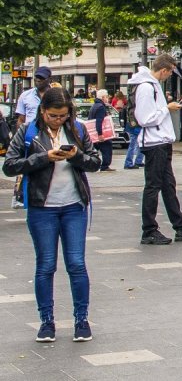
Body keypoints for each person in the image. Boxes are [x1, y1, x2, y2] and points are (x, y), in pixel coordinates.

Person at [4, 86, 102, 342]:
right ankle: (46, 321)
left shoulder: (78, 130)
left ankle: (81, 319)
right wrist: (43, 157)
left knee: (77, 264)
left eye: (63, 116)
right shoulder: (28, 132)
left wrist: (76, 156)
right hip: (41, 208)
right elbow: (9, 165)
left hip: (74, 206)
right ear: (42, 111)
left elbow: (96, 161)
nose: (58, 120)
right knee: (46, 265)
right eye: (53, 116)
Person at [128, 54, 182, 244]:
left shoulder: (152, 86)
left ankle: (181, 227)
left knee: (168, 186)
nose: (169, 76)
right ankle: (149, 230)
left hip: (160, 141)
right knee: (153, 186)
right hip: (154, 143)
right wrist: (166, 109)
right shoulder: (146, 87)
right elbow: (145, 118)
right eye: (169, 73)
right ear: (164, 70)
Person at [12, 66, 51, 208]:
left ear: (49, 80)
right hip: (30, 134)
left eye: (41, 79)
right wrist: (19, 136)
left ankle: (46, 194)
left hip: (49, 134)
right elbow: (21, 119)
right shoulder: (25, 96)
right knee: (26, 162)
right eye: (36, 78)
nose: (38, 81)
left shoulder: (55, 94)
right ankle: (20, 195)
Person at [89, 90, 115, 171]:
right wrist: (100, 134)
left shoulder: (94, 105)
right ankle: (105, 166)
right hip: (101, 132)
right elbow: (99, 121)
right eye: (107, 96)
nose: (108, 98)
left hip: (93, 132)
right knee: (107, 148)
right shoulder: (101, 107)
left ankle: (91, 164)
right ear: (103, 97)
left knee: (94, 149)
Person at [122, 85, 143, 170]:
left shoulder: (130, 102)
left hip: (132, 125)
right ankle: (130, 162)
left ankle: (136, 161)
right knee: (135, 144)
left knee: (135, 144)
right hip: (136, 126)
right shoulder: (137, 104)